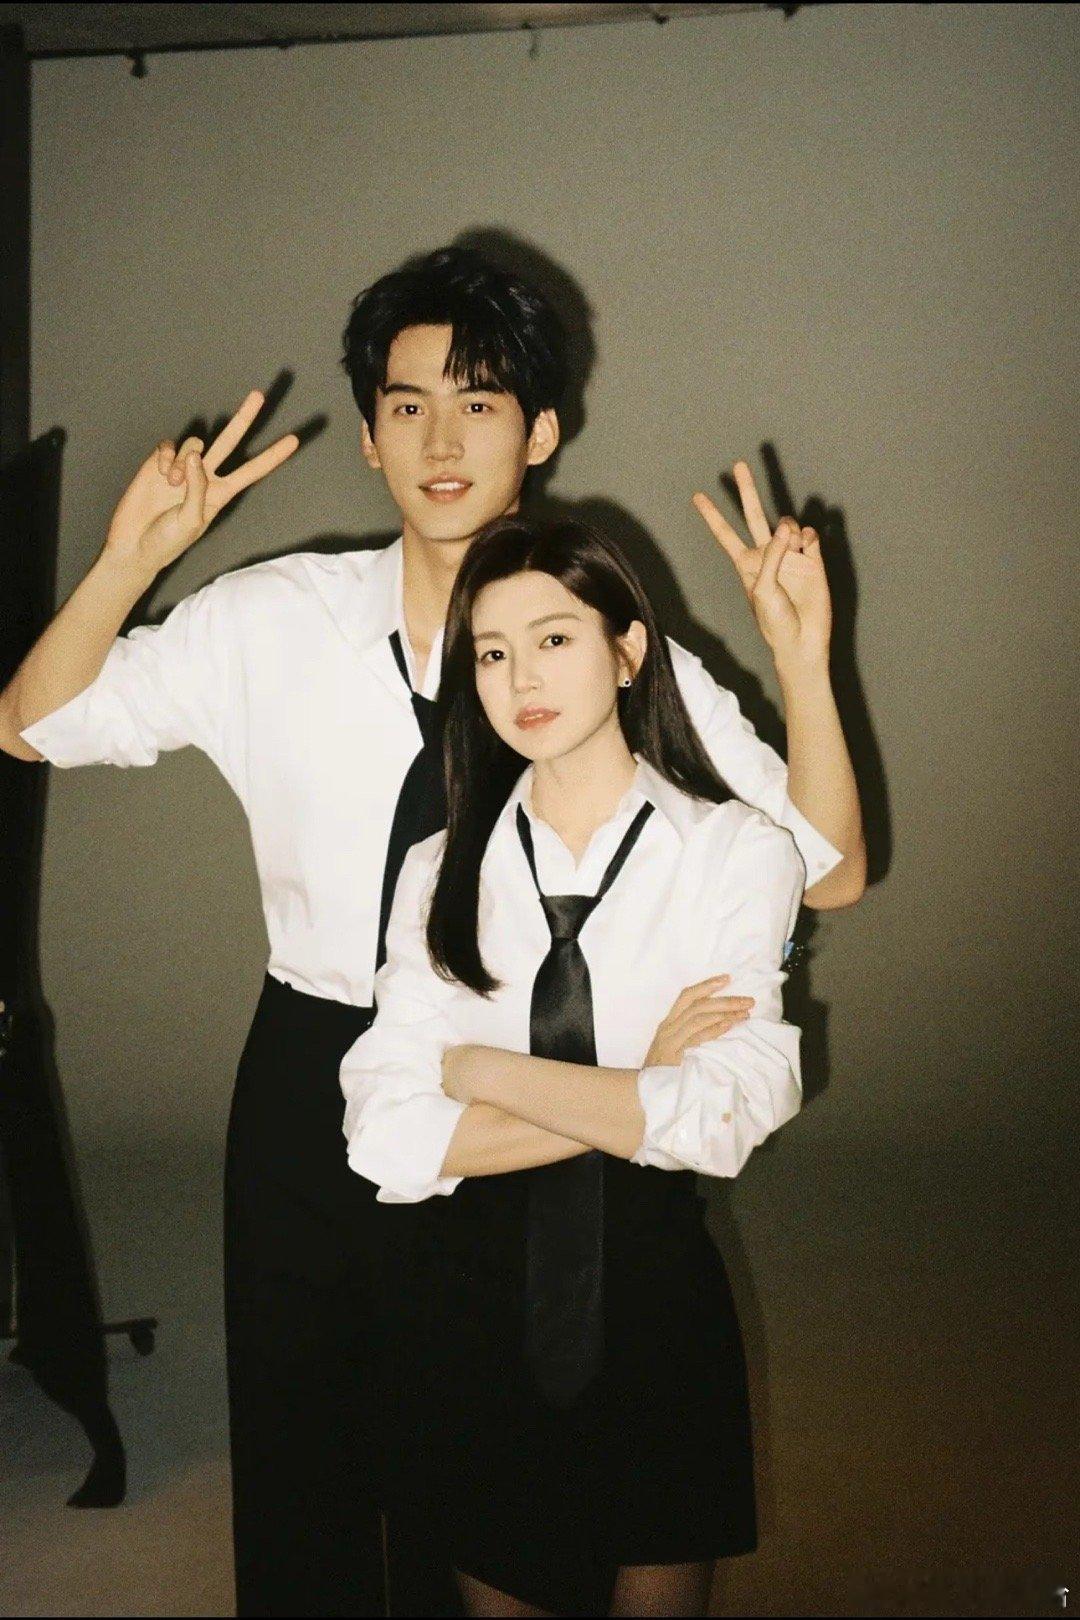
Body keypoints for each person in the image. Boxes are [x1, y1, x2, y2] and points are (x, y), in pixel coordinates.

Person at [0, 245, 863, 1617]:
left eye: (481, 401)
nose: (443, 441)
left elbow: (824, 869)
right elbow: (30, 724)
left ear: (543, 430)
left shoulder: (590, 635)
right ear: (368, 434)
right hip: (312, 1067)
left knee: (482, 1468)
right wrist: (127, 563)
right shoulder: (276, 620)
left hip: (513, 1082)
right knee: (304, 1456)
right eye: (408, 406)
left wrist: (805, 667)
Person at [342, 515, 809, 1618]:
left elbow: (730, 1114)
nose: (521, 679)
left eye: (554, 638)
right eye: (493, 653)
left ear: (628, 648)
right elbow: (384, 1137)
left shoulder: (737, 852)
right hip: (472, 1308)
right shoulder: (437, 871)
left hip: (656, 1301)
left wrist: (480, 1069)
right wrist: (638, 1079)